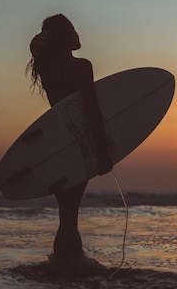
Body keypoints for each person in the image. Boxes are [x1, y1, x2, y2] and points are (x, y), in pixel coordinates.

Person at [26, 14, 113, 275]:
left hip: (56, 143)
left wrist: (37, 40)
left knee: (67, 212)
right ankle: (69, 266)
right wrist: (103, 152)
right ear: (65, 37)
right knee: (70, 212)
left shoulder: (46, 68)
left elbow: (35, 47)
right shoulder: (82, 66)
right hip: (78, 143)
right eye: (73, 29)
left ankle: (65, 264)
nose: (78, 33)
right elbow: (91, 110)